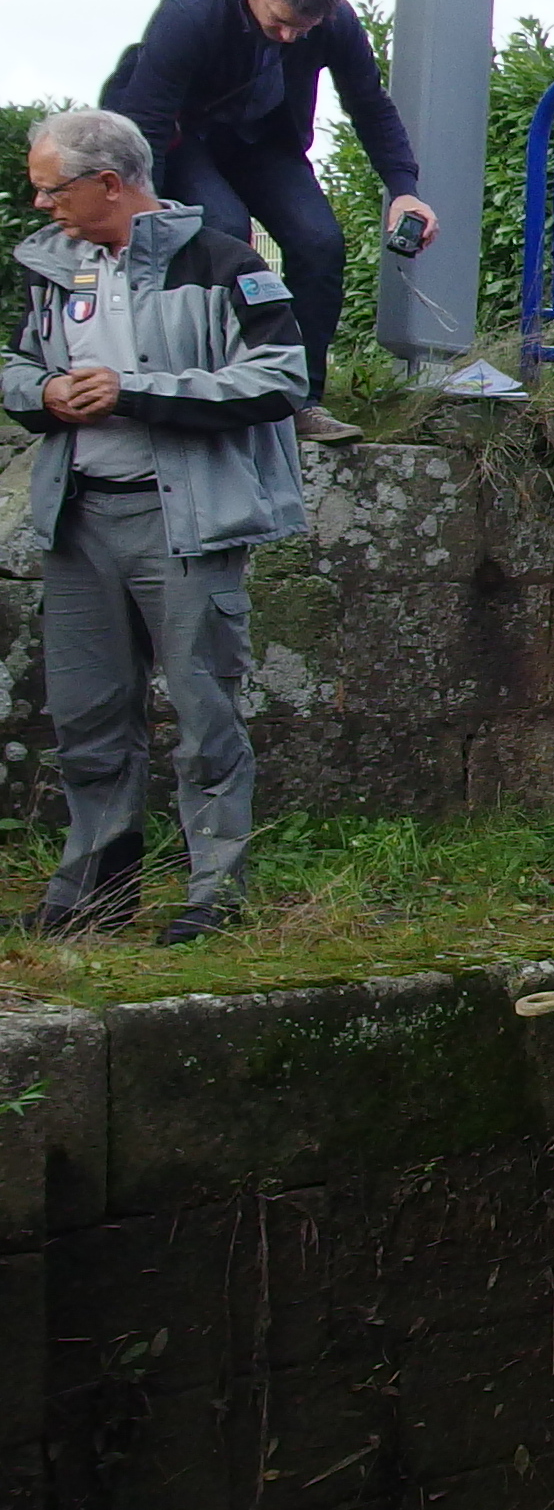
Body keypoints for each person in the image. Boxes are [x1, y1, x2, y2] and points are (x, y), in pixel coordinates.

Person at [5, 110, 311, 942]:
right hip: (80, 522)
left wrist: (136, 392)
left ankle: (214, 896)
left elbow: (282, 379)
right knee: (88, 715)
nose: (40, 205)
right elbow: (15, 362)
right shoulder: (48, 270)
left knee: (207, 717)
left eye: (52, 188)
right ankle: (98, 892)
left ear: (110, 183)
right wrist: (42, 395)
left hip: (188, 524)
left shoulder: (225, 261)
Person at [101, 0, 439, 443]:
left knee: (320, 242)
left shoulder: (335, 23)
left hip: (265, 143)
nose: (287, 37)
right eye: (279, 22)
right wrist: (146, 215)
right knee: (224, 230)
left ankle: (300, 401)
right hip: (182, 137)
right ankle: (220, 389)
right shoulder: (191, 10)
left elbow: (369, 106)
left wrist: (404, 188)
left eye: (302, 30)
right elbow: (146, 118)